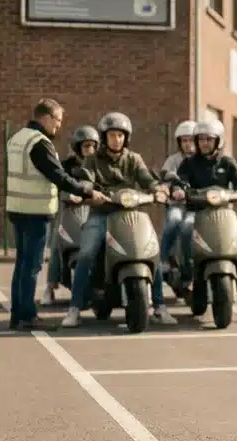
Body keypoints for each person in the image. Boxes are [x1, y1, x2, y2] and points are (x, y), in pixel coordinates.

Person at [59, 111, 178, 328]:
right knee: (86, 253)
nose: (117, 139)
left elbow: (146, 178)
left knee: (152, 251)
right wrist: (87, 189)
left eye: (121, 135)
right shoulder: (92, 160)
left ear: (127, 137)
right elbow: (87, 178)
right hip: (102, 213)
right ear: (104, 137)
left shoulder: (134, 159)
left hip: (132, 213)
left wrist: (157, 189)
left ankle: (159, 306)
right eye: (112, 135)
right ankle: (74, 308)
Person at [4, 99, 108, 331]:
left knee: (21, 264)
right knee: (31, 266)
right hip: (35, 212)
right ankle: (28, 317)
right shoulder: (39, 143)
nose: (59, 126)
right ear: (47, 117)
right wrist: (87, 191)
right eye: (58, 120)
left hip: (17, 208)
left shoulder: (17, 138)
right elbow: (58, 175)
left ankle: (17, 315)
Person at [168, 117, 237, 323]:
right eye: (201, 139)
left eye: (209, 139)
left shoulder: (227, 162)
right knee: (186, 228)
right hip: (197, 213)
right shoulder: (189, 163)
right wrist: (179, 190)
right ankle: (187, 276)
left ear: (218, 141)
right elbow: (180, 181)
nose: (204, 143)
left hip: (224, 215)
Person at [41, 124, 100, 306]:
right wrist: (68, 195)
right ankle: (50, 287)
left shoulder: (99, 165)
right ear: (77, 147)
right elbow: (58, 185)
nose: (89, 149)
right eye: (85, 146)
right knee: (59, 241)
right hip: (69, 211)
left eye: (92, 145)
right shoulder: (66, 166)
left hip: (93, 210)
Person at [157, 120, 199, 301]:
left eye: (191, 140)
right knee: (174, 220)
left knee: (188, 227)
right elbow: (165, 180)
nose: (188, 144)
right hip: (177, 204)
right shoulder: (173, 160)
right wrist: (166, 190)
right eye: (184, 140)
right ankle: (164, 258)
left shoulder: (200, 160)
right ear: (179, 142)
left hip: (195, 206)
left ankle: (189, 267)